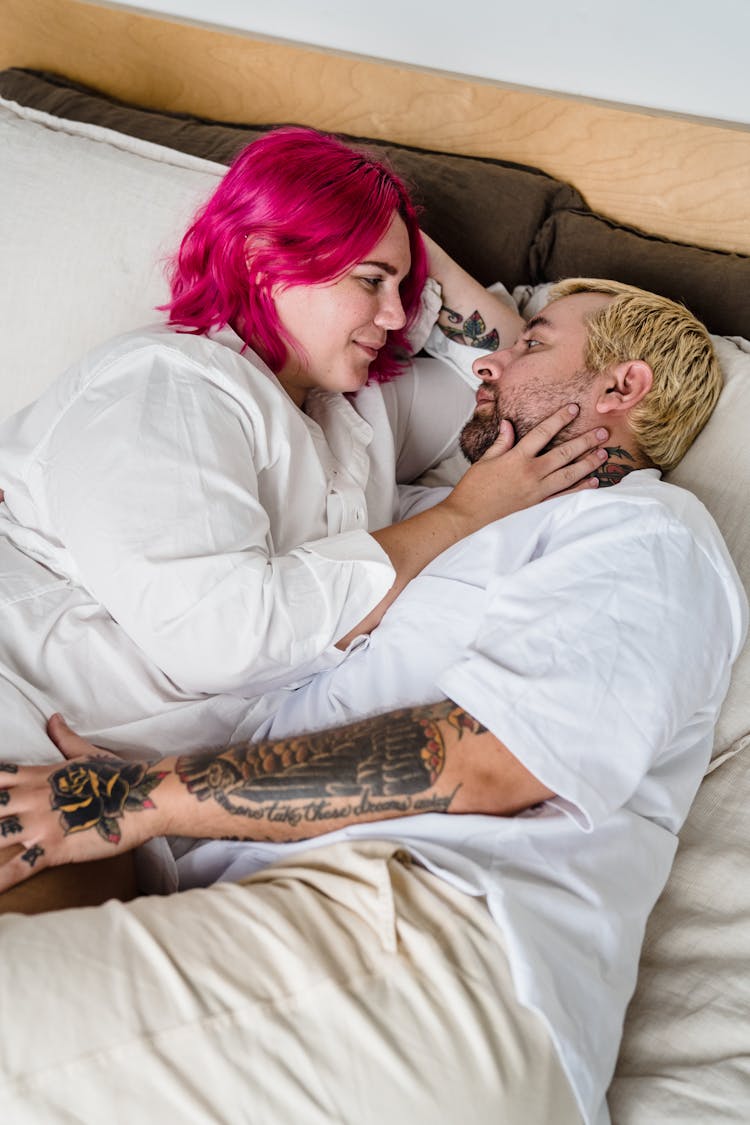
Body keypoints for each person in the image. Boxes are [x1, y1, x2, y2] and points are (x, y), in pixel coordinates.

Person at [0, 280, 745, 1125]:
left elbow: (487, 761)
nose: (490, 360)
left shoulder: (647, 534)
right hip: (261, 928)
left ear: (621, 388)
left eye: (532, 343)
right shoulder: (433, 521)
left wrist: (135, 799)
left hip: (424, 951)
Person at [0, 127, 607, 907]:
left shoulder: (355, 408)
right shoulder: (169, 383)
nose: (396, 315)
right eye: (371, 281)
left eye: (405, 289)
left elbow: (509, 372)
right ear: (262, 256)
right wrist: (460, 515)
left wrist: (389, 231)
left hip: (107, 796)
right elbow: (223, 635)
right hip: (23, 712)